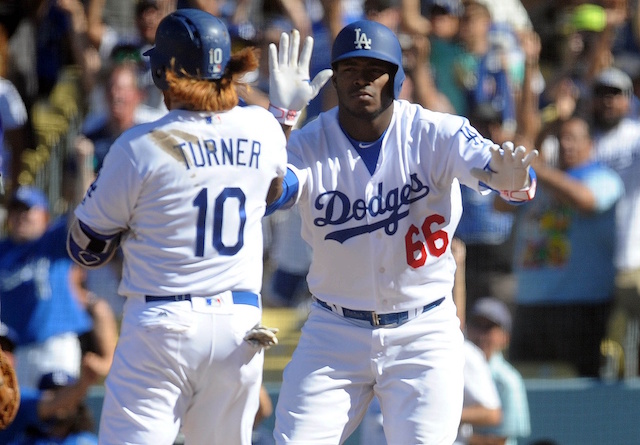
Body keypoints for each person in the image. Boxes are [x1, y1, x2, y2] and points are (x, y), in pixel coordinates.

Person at [264, 20, 537, 444]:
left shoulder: (435, 132)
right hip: (334, 331)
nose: (362, 79)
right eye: (350, 69)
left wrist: (510, 177)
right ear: (334, 76)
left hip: (422, 331)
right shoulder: (309, 142)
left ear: (395, 76)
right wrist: (279, 123)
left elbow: (506, 175)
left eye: (374, 69)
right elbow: (270, 195)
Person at [67, 9, 287, 445]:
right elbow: (277, 190)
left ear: (164, 75)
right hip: (240, 327)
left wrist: (130, 224)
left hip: (163, 323)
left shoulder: (140, 145)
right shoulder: (264, 127)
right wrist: (286, 115)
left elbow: (84, 248)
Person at [505, 116, 624, 377]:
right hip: (530, 303)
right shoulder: (540, 179)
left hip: (580, 306)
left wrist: (539, 168)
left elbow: (585, 201)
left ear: (590, 144)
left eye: (573, 138)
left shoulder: (604, 178)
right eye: (560, 138)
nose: (566, 144)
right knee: (527, 383)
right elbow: (501, 204)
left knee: (575, 391)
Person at [0, 186, 93, 390]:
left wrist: (83, 162)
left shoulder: (54, 240)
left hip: (57, 345)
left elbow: (84, 213)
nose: (20, 216)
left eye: (27, 210)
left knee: (57, 412)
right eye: (15, 210)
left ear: (44, 215)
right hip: (20, 353)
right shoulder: (3, 251)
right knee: (24, 416)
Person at [590, 67, 640, 378]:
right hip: (591, 269)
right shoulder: (581, 140)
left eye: (616, 94)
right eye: (602, 94)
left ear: (629, 100)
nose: (608, 101)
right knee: (608, 358)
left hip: (633, 260)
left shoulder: (636, 135)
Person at [467, 297, 531, 445]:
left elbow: (500, 441)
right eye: (477, 325)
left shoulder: (508, 381)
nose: (481, 335)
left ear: (505, 338)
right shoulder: (455, 368)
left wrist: (456, 434)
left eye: (489, 327)